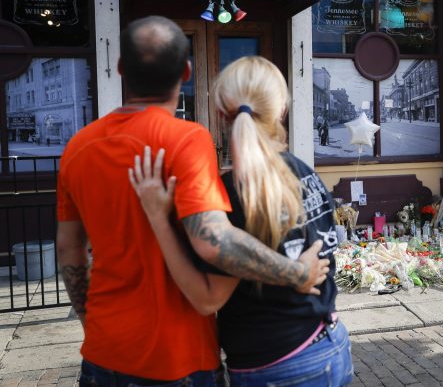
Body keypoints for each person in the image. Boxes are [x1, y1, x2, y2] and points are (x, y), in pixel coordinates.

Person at [56, 16, 329, 386]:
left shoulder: (78, 148)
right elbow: (213, 239)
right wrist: (297, 273)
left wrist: (95, 323)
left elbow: (70, 249)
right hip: (179, 357)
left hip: (104, 351)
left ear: (120, 69)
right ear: (187, 72)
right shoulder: (187, 140)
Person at [129, 56, 353, 386]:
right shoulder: (304, 172)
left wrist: (159, 219)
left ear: (221, 115)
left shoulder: (233, 193)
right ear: (281, 111)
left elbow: (207, 299)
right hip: (332, 343)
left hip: (277, 362)